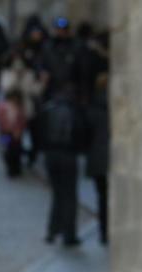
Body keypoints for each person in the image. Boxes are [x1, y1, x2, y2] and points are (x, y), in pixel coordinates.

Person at [37, 86, 86, 246]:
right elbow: (80, 133)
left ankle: (53, 230)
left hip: (52, 155)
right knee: (69, 196)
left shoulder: (48, 109)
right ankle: (68, 234)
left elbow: (39, 131)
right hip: (67, 154)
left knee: (57, 194)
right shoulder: (72, 111)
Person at [85, 75, 110, 244]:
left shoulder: (91, 108)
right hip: (109, 157)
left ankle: (103, 232)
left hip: (97, 158)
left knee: (102, 197)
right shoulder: (113, 107)